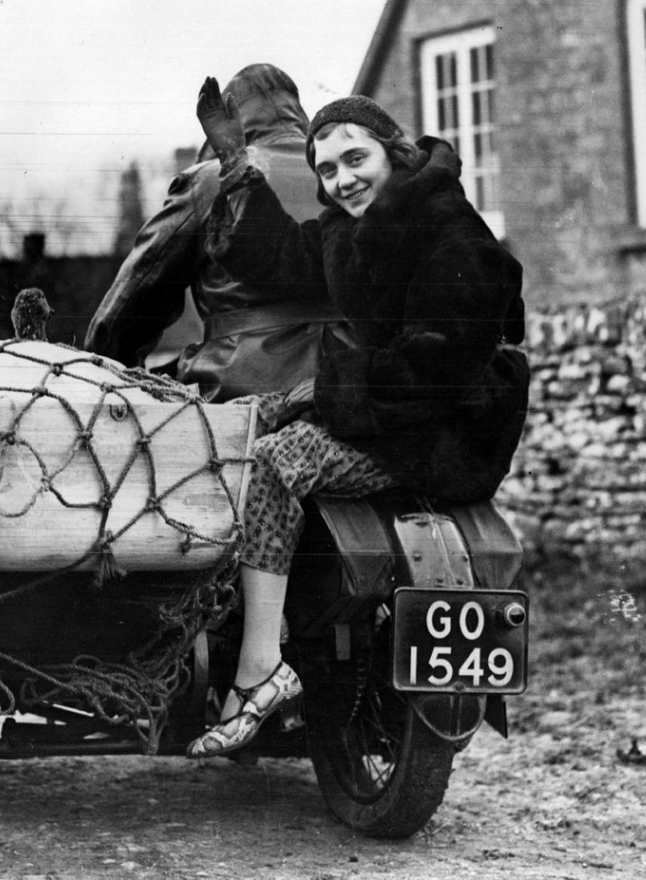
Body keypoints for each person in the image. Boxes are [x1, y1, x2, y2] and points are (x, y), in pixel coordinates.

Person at [184, 82, 530, 758]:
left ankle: (260, 669)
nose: (342, 180)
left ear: (392, 152)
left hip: (444, 431)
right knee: (253, 419)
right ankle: (272, 628)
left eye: (355, 159)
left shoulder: (447, 226)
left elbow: (444, 363)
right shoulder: (356, 229)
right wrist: (236, 171)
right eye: (328, 169)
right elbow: (283, 257)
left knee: (277, 463)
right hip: (399, 413)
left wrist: (332, 390)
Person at [85, 64, 350, 403]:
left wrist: (99, 371)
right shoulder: (348, 176)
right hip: (351, 383)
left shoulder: (208, 181)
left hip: (241, 388)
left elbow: (135, 297)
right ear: (298, 113)